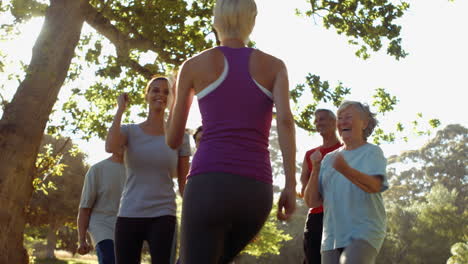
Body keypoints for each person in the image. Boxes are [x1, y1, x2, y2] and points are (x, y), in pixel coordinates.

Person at [165, 0, 297, 262]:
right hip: (256, 190)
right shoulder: (275, 66)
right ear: (252, 21)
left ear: (216, 21)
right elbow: (285, 122)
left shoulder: (193, 65)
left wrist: (174, 98)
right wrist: (291, 185)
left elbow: (172, 139)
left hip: (208, 186)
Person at [106, 76, 191, 264]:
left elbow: (184, 183)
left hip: (163, 214)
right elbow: (110, 146)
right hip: (129, 213)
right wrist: (120, 109)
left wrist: (196, 214)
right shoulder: (130, 131)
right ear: (147, 95)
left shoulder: (181, 137)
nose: (160, 95)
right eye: (155, 90)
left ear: (172, 100)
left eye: (166, 92)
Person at [304, 101, 388, 264]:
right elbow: (312, 201)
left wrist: (346, 170)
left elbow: (375, 185)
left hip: (363, 232)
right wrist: (315, 169)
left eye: (349, 117)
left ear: (364, 123)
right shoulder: (328, 159)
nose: (343, 122)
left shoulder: (372, 152)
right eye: (340, 118)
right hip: (331, 237)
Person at [300, 109, 342, 264]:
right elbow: (304, 192)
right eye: (316, 120)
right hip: (317, 218)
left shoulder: (347, 150)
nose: (318, 123)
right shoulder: (310, 155)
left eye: (322, 119)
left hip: (342, 216)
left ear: (334, 122)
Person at [77, 152, 126, 264]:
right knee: (109, 258)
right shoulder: (97, 170)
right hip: (101, 225)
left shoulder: (137, 171)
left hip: (125, 226)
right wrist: (82, 240)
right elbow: (85, 208)